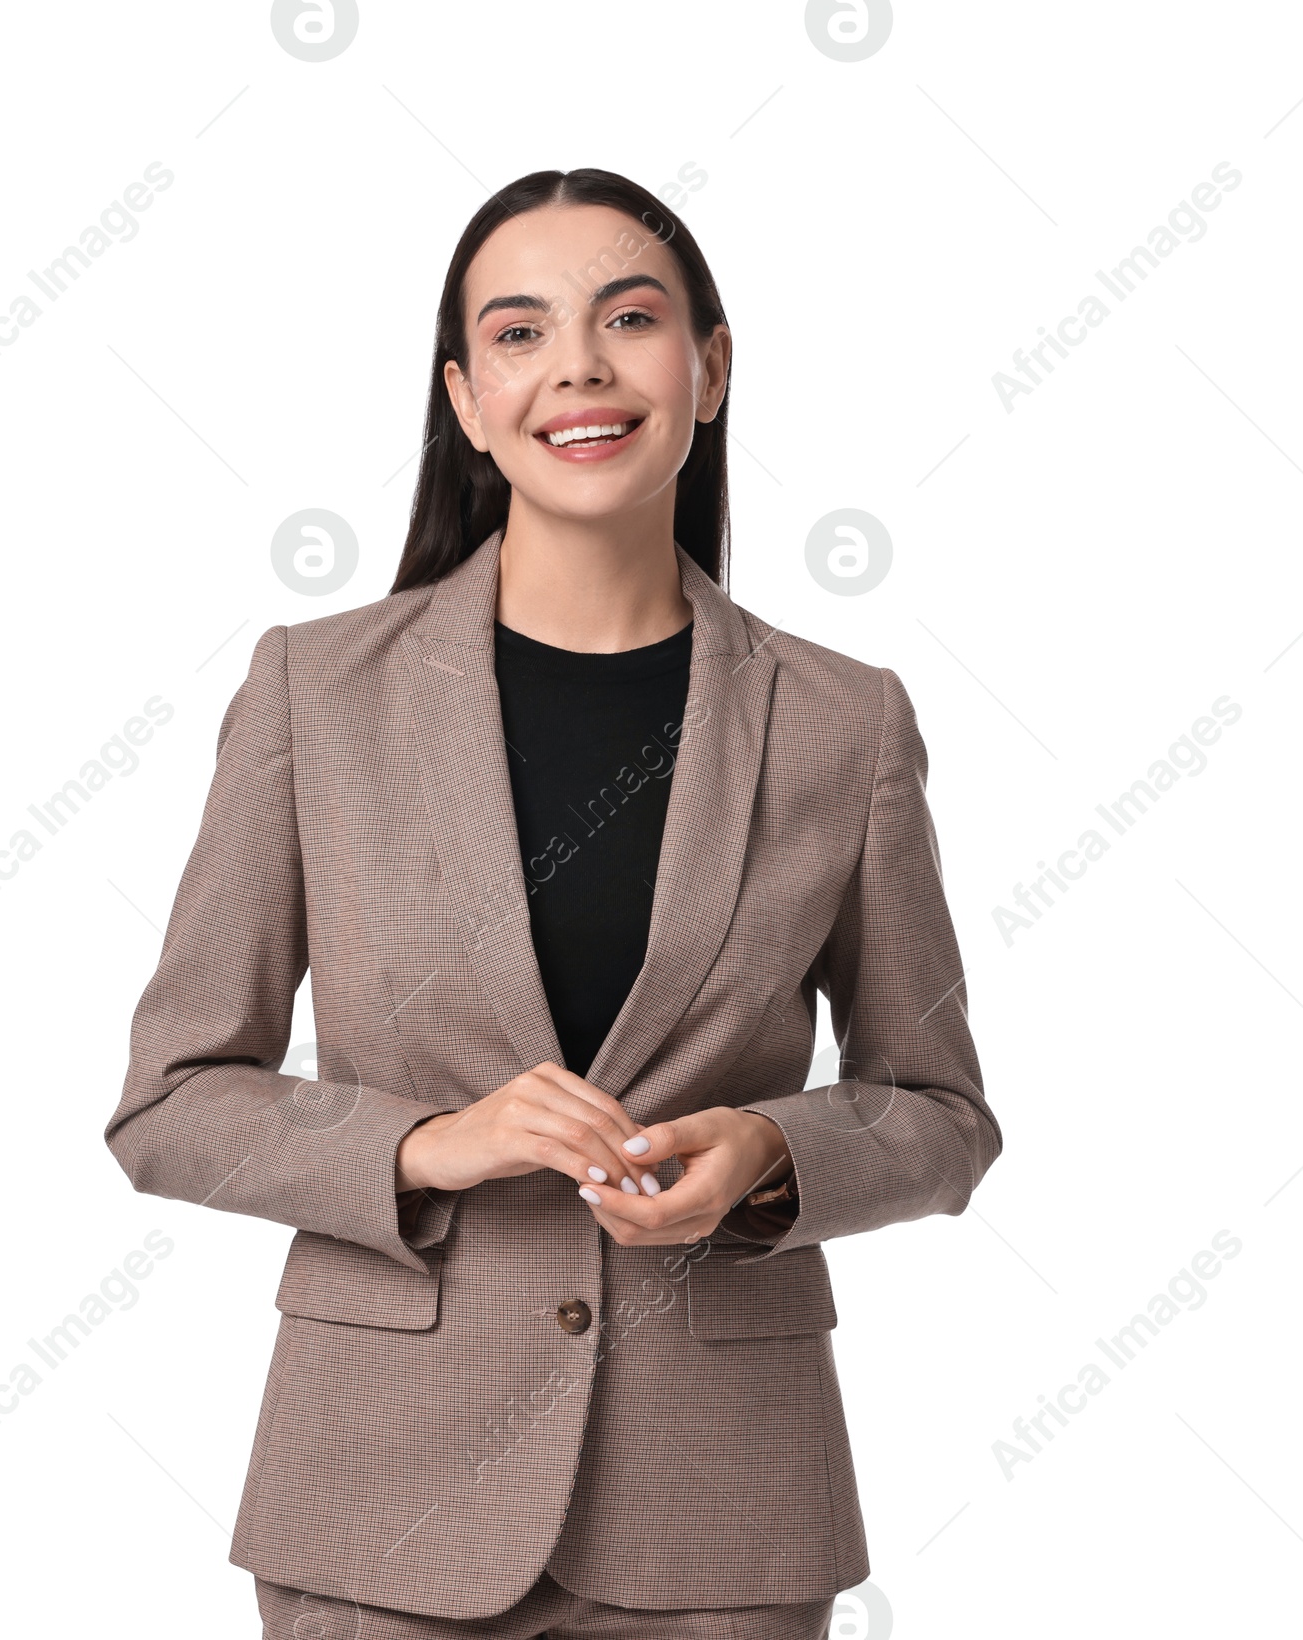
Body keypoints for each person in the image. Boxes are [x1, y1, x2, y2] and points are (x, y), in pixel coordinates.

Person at [104, 167, 1003, 1640]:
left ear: (710, 367)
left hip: (719, 1509)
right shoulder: (315, 696)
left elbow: (943, 1114)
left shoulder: (845, 724)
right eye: (519, 334)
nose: (578, 365)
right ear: (465, 400)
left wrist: (776, 1151)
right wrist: (426, 1146)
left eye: (629, 319)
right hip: (383, 1498)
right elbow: (169, 1102)